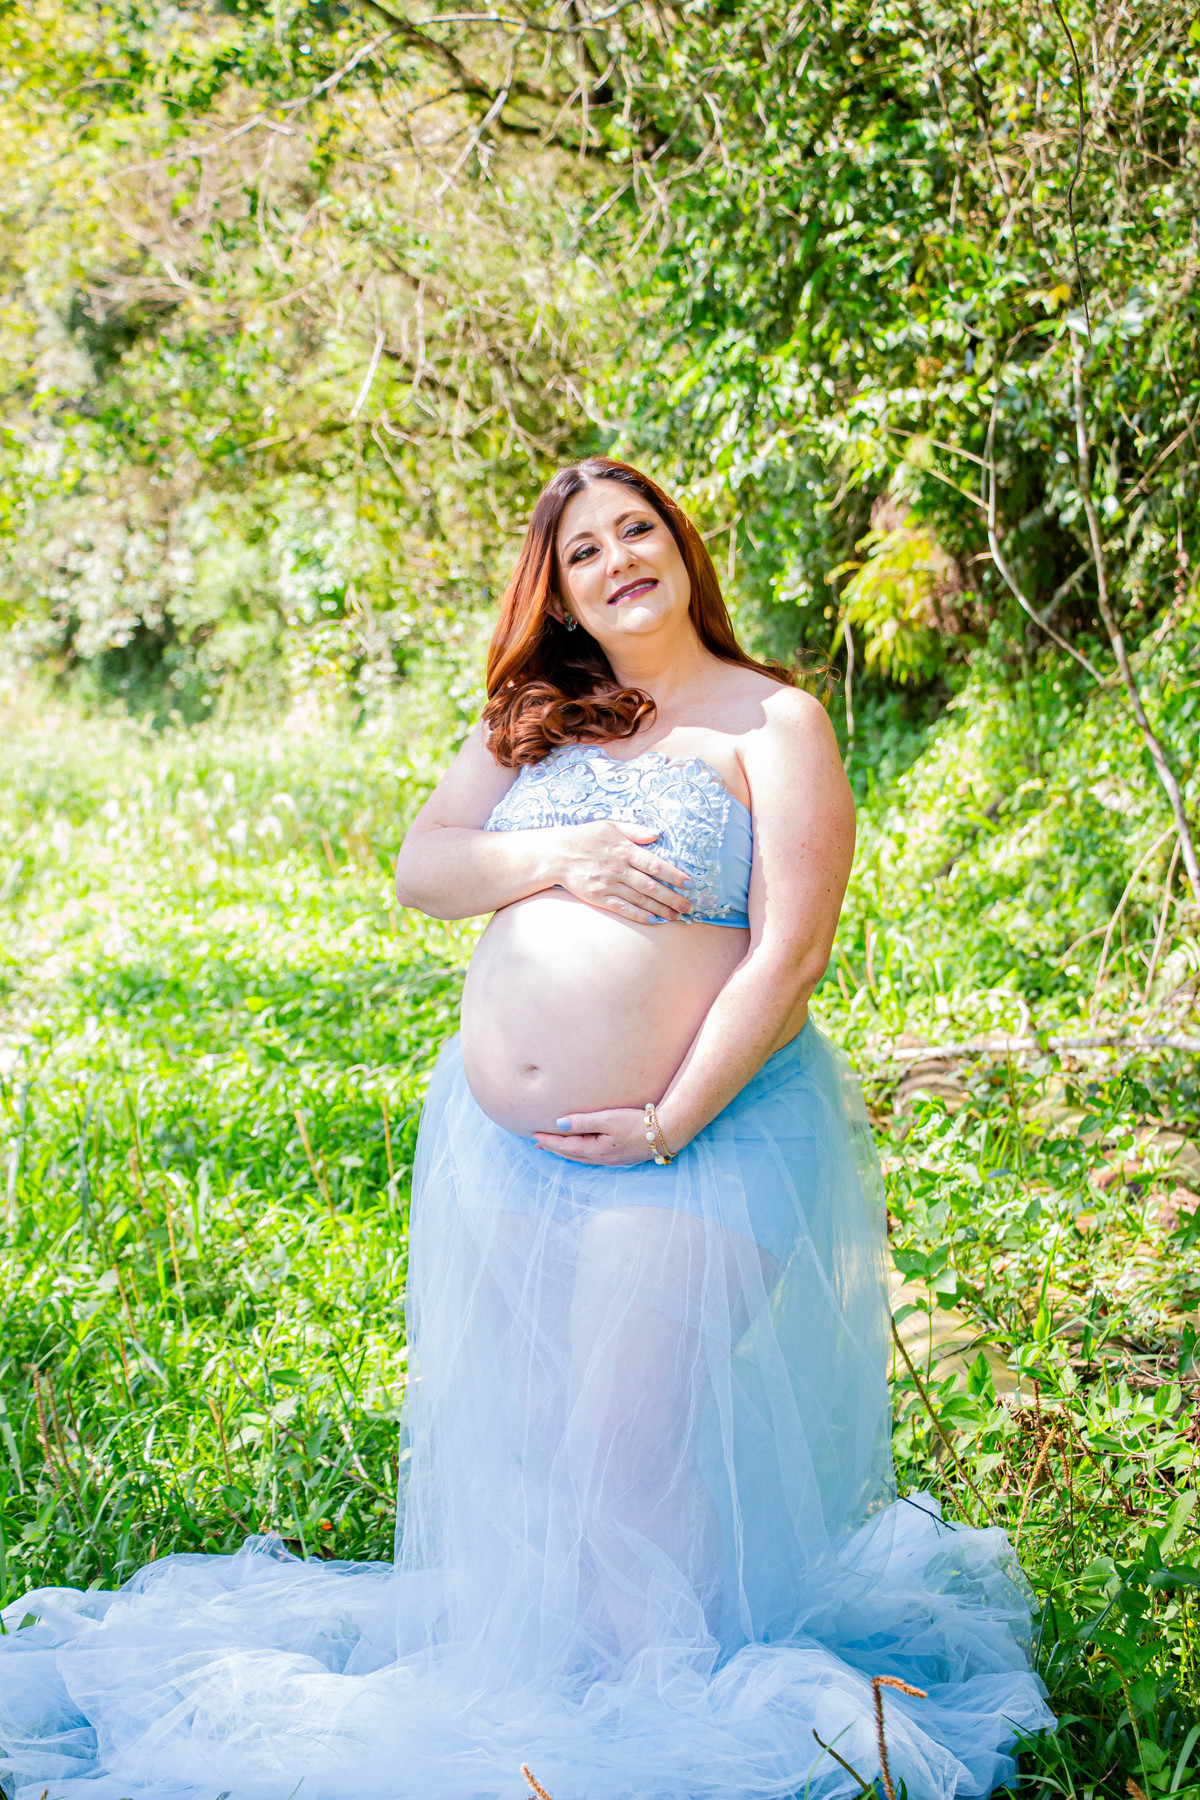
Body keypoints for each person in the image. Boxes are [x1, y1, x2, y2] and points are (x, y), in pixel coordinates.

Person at [0, 459, 1051, 1800]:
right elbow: (425, 868)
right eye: (584, 551)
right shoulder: (539, 720)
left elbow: (789, 958)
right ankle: (596, 1692)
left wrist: (668, 1117)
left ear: (682, 548)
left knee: (623, 1445)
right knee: (555, 1455)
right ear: (557, 594)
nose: (619, 559)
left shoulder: (773, 722)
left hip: (705, 1133)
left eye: (638, 530)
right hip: (505, 1151)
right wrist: (558, 854)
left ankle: (676, 1725)